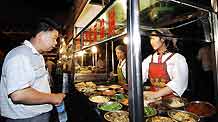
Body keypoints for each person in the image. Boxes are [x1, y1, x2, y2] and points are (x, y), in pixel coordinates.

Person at [0, 18, 65, 122]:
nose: (56, 43)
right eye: (54, 38)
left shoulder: (37, 55)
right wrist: (53, 98)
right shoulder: (20, 55)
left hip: (36, 116)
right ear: (40, 35)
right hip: (26, 118)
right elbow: (19, 94)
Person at [142, 29, 188, 100]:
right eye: (150, 39)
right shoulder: (149, 58)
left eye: (153, 38)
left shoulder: (177, 58)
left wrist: (156, 94)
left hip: (171, 100)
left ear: (163, 39)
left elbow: (179, 82)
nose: (151, 42)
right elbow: (140, 76)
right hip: (154, 99)